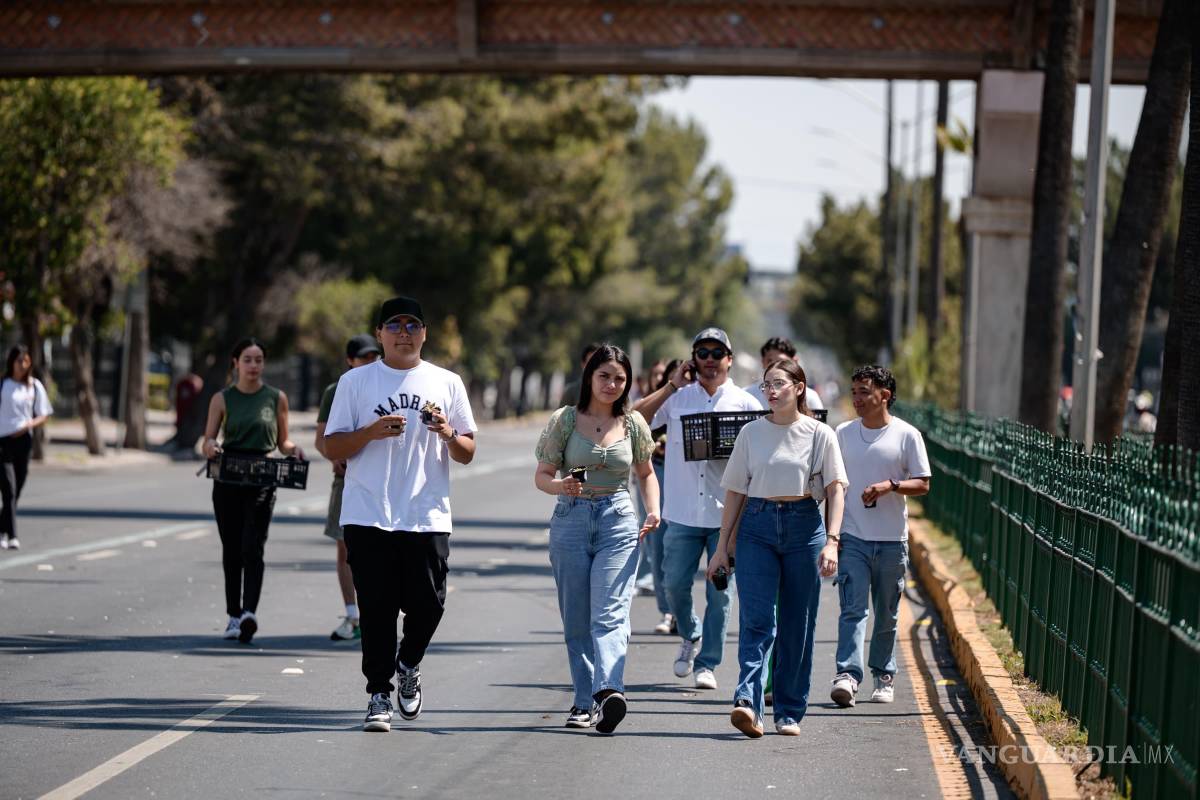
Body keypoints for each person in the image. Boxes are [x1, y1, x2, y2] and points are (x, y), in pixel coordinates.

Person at [323, 296, 477, 733]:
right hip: (368, 511)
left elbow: (467, 452)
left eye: (412, 325)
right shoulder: (354, 383)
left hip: (426, 513)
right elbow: (332, 448)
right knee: (376, 609)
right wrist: (370, 432)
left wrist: (447, 432)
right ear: (380, 334)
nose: (404, 332)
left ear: (425, 334)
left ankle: (408, 663)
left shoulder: (447, 382)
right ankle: (378, 694)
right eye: (395, 325)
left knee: (429, 604)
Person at [708, 359, 846, 737]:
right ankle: (748, 703)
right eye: (766, 384)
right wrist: (723, 547)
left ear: (799, 388)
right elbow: (735, 492)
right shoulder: (751, 434)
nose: (770, 391)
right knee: (757, 620)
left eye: (779, 384)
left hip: (804, 526)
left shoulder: (820, 434)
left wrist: (832, 542)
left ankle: (788, 710)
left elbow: (835, 490)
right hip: (757, 527)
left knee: (796, 623)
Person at [534, 344, 660, 734]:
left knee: (610, 612)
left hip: (618, 520)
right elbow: (541, 475)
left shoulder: (634, 422)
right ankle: (583, 699)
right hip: (571, 519)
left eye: (620, 378)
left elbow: (646, 473)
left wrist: (653, 510)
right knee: (577, 618)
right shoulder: (565, 420)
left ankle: (608, 691)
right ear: (589, 376)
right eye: (604, 375)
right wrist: (560, 486)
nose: (611, 384)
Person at [632, 328, 762, 690]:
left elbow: (760, 458)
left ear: (729, 359)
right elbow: (632, 422)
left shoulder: (745, 403)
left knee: (720, 594)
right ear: (693, 360)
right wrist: (671, 386)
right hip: (683, 512)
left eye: (716, 352)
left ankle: (708, 664)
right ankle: (690, 633)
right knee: (673, 584)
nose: (709, 359)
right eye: (701, 352)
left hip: (726, 516)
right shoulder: (678, 398)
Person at [830, 365, 931, 708]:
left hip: (891, 541)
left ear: (884, 396)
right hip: (853, 538)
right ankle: (847, 674)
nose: (856, 398)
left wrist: (890, 486)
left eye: (863, 392)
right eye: (854, 391)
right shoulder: (842, 433)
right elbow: (834, 486)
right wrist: (833, 534)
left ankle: (883, 674)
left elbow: (923, 482)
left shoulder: (906, 435)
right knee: (852, 610)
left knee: (886, 613)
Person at [202, 338, 305, 644]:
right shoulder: (222, 399)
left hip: (262, 476)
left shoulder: (275, 398)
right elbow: (207, 439)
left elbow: (282, 441)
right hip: (228, 477)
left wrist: (294, 449)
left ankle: (249, 613)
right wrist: (210, 447)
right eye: (247, 359)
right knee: (232, 549)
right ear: (236, 363)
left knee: (253, 546)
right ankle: (233, 614)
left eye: (259, 359)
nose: (254, 365)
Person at [315, 334, 382, 641]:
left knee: (381, 551)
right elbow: (322, 439)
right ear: (350, 361)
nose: (370, 362)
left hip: (380, 481)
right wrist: (336, 458)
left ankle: (377, 614)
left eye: (373, 357)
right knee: (346, 550)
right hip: (346, 482)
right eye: (363, 358)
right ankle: (352, 614)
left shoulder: (386, 385)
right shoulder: (337, 389)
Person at [0, 345, 53, 551]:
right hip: (3, 441)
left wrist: (30, 424)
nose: (22, 365)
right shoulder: (4, 385)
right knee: (9, 488)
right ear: (11, 362)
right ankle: (12, 535)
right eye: (18, 361)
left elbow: (44, 413)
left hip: (24, 442)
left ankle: (2, 529)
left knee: (18, 488)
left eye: (26, 361)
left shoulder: (34, 386)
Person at [743, 337, 825, 413]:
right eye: (770, 361)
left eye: (781, 362)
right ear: (762, 362)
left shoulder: (809, 397)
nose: (775, 366)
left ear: (795, 361)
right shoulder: (747, 395)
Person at [560, 342, 601, 407]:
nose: (594, 367)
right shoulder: (571, 391)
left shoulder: (610, 390)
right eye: (590, 363)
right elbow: (561, 416)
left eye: (598, 363)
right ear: (583, 364)